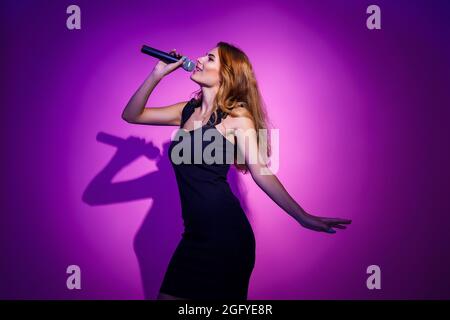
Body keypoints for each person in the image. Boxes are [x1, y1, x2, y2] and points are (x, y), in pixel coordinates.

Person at [121, 42, 352, 300]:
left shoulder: (238, 117)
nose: (198, 58)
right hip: (194, 235)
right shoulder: (186, 111)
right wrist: (157, 75)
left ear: (226, 75)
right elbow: (131, 115)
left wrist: (302, 216)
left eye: (209, 58)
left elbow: (261, 172)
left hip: (226, 236)